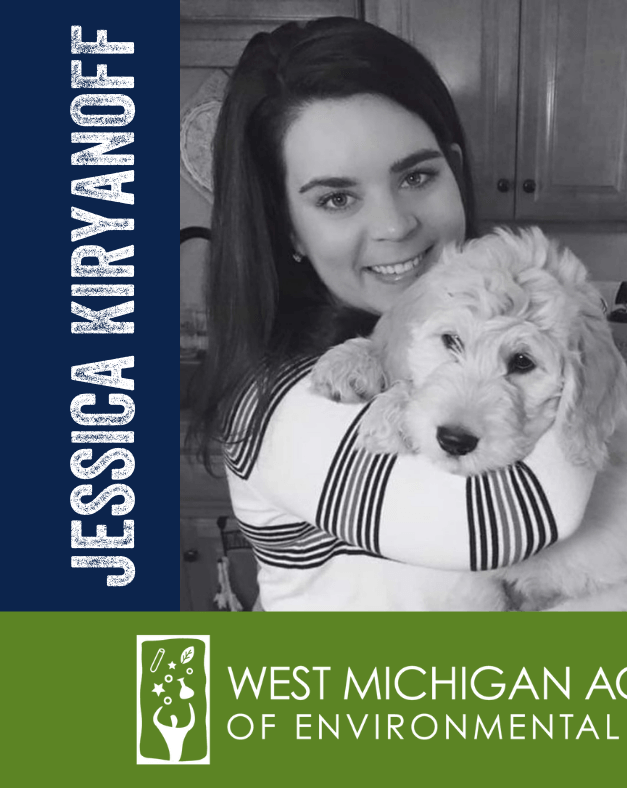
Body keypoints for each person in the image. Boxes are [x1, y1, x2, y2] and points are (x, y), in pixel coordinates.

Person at [188, 17, 596, 611]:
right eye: (337, 198)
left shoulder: (457, 333)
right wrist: (574, 335)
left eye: (417, 176)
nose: (394, 226)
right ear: (287, 228)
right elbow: (522, 518)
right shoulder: (280, 396)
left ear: (454, 169)